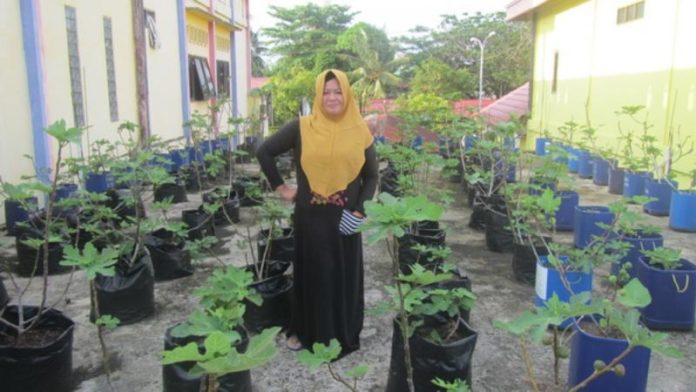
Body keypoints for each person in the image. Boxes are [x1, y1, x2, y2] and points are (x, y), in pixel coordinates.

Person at [256, 69, 378, 357]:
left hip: (345, 218)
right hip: (310, 217)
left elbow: (371, 176)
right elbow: (264, 152)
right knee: (311, 275)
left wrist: (359, 211)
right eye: (326, 92)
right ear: (318, 96)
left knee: (341, 275)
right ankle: (305, 330)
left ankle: (341, 333)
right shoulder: (302, 127)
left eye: (338, 92)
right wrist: (281, 188)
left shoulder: (360, 130)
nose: (332, 97)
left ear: (347, 95)